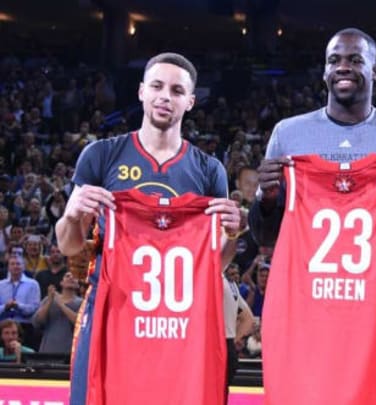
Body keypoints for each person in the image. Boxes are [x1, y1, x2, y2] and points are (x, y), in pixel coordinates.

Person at [249, 28, 376, 405]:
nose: (343, 67)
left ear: (375, 71)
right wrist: (268, 198)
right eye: (334, 60)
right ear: (324, 72)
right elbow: (263, 235)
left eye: (356, 60)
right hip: (308, 318)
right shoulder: (288, 135)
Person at [54, 52, 242, 405]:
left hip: (177, 318)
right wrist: (72, 216)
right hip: (111, 309)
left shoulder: (209, 169)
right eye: (156, 86)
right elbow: (68, 246)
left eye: (176, 90)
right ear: (141, 92)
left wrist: (233, 234)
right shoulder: (101, 155)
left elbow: (212, 263)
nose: (164, 97)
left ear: (190, 100)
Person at [223, 266, 254, 404]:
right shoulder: (231, 286)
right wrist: (232, 340)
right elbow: (248, 319)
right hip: (228, 346)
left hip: (213, 347)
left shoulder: (211, 281)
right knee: (221, 394)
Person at [31, 272, 82, 353]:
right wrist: (50, 301)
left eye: (74, 277)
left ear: (78, 284)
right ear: (61, 282)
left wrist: (61, 305)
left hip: (71, 350)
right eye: (67, 276)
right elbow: (37, 322)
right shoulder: (49, 299)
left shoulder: (82, 303)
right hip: (48, 348)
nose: (71, 278)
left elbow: (80, 323)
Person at [0, 255, 41, 350]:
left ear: (24, 266)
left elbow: (34, 308)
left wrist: (18, 306)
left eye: (18, 264)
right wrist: (5, 307)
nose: (15, 266)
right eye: (12, 264)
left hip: (24, 327)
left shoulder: (33, 284)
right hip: (3, 326)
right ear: (8, 267)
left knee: (24, 357)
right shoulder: (1, 285)